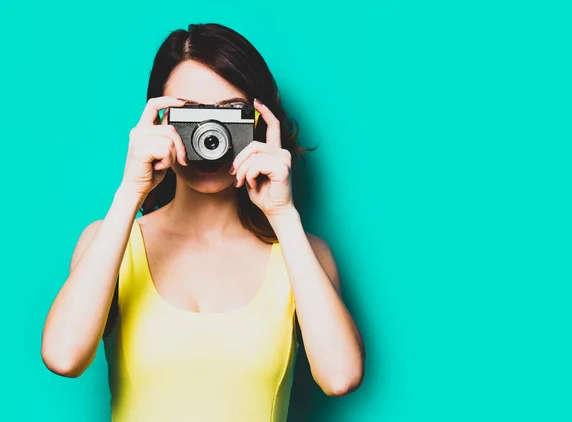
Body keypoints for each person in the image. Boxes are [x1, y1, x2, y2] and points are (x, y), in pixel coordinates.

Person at [41, 23, 365, 422]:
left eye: (231, 114)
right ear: (158, 119)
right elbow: (62, 357)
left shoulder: (303, 253)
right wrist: (130, 193)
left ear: (261, 123)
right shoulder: (110, 242)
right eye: (190, 114)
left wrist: (283, 214)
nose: (210, 135)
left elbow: (341, 377)